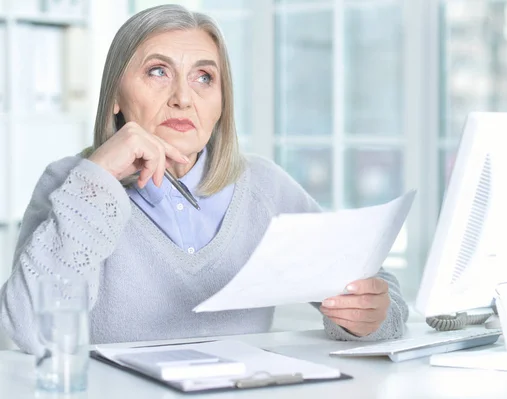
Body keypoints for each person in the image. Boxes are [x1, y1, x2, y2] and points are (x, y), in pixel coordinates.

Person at [0, 4, 408, 355]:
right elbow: (29, 333)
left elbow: (379, 290)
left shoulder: (265, 186)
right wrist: (98, 180)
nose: (183, 97)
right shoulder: (70, 183)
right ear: (116, 98)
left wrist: (369, 315)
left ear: (221, 102)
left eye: (204, 78)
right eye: (158, 71)